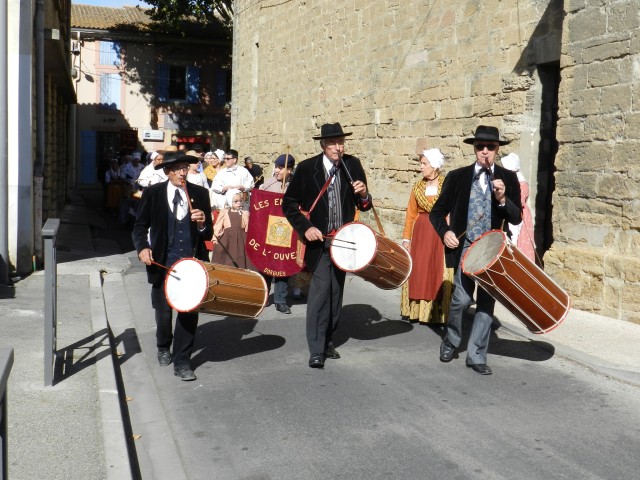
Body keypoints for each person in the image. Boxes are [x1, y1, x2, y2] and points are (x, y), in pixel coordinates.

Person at [430, 125, 522, 376]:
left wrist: (503, 200)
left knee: (486, 304)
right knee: (461, 299)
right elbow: (437, 212)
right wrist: (445, 232)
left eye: (490, 147)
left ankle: (477, 354)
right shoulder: (457, 177)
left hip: (494, 252)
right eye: (480, 147)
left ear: (497, 150)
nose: (485, 152)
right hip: (465, 248)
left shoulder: (508, 178)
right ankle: (451, 339)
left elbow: (515, 218)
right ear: (474, 148)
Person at [283, 122, 372, 369]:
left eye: (341, 142)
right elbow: (288, 204)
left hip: (344, 241)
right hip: (319, 242)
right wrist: (305, 227)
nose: (338, 147)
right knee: (321, 293)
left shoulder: (352, 165)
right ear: (323, 145)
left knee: (336, 293)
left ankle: (328, 340)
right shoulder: (306, 168)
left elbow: (364, 205)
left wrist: (364, 194)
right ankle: (316, 349)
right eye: (333, 143)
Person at [132, 151, 213, 381]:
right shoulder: (153, 193)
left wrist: (202, 223)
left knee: (188, 314)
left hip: (191, 264)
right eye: (177, 168)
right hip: (162, 263)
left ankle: (183, 361)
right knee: (164, 313)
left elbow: (208, 233)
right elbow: (139, 226)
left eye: (185, 168)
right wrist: (142, 248)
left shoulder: (200, 194)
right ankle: (163, 345)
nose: (182, 173)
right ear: (167, 171)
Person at [400, 148, 453, 325]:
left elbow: (453, 210)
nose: (421, 167)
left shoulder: (447, 185)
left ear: (435, 166)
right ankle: (415, 310)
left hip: (440, 231)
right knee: (419, 269)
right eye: (421, 163)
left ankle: (437, 313)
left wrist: (450, 231)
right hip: (421, 231)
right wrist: (407, 238)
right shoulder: (417, 186)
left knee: (436, 269)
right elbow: (410, 214)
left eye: (424, 164)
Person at [260, 153, 296, 314]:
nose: (277, 171)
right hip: (269, 231)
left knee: (283, 266)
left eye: (281, 168)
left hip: (288, 232)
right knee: (266, 264)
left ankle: (280, 300)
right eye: (277, 167)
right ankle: (264, 296)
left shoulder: (297, 185)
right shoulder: (267, 185)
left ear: (290, 170)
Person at [501, 153, 536, 262]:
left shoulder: (521, 183)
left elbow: (518, 202)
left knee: (517, 242)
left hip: (518, 215)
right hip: (508, 213)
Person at [211, 189, 253, 269]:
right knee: (226, 258)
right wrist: (215, 237)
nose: (239, 203)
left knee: (241, 257)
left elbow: (247, 226)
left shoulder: (244, 213)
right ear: (230, 201)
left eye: (240, 201)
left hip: (241, 239)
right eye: (236, 201)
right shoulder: (225, 212)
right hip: (227, 239)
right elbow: (218, 225)